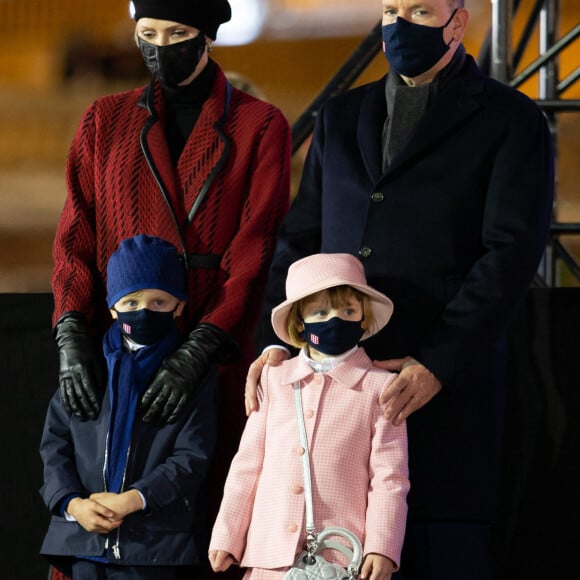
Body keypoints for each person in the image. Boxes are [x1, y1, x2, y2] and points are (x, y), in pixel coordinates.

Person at [245, 1, 555, 578]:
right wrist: (276, 338)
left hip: (444, 401)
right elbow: (300, 240)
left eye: (417, 10)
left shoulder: (511, 121)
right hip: (336, 418)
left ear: (456, 24)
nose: (397, 24)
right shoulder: (340, 117)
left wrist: (438, 362)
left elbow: (509, 256)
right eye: (390, 9)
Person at [50, 0, 290, 549]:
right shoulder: (103, 120)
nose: (159, 47)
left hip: (211, 350)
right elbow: (74, 241)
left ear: (207, 35)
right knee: (103, 509)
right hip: (116, 354)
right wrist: (70, 336)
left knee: (204, 508)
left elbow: (254, 251)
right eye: (147, 33)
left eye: (177, 32)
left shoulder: (258, 125)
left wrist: (197, 352)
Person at [209, 253, 409, 580]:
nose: (335, 319)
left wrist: (382, 546)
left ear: (363, 316)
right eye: (320, 311)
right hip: (268, 554)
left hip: (341, 557)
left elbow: (390, 478)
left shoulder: (381, 387)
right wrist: (227, 535)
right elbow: (247, 464)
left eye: (348, 310)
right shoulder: (274, 379)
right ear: (300, 321)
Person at [40, 235, 219, 579]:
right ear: (112, 307)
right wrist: (73, 504)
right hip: (84, 543)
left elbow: (192, 456)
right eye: (131, 301)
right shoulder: (85, 364)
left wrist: (136, 498)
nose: (144, 311)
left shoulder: (195, 375)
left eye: (159, 301)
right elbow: (54, 445)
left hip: (157, 549)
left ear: (179, 305)